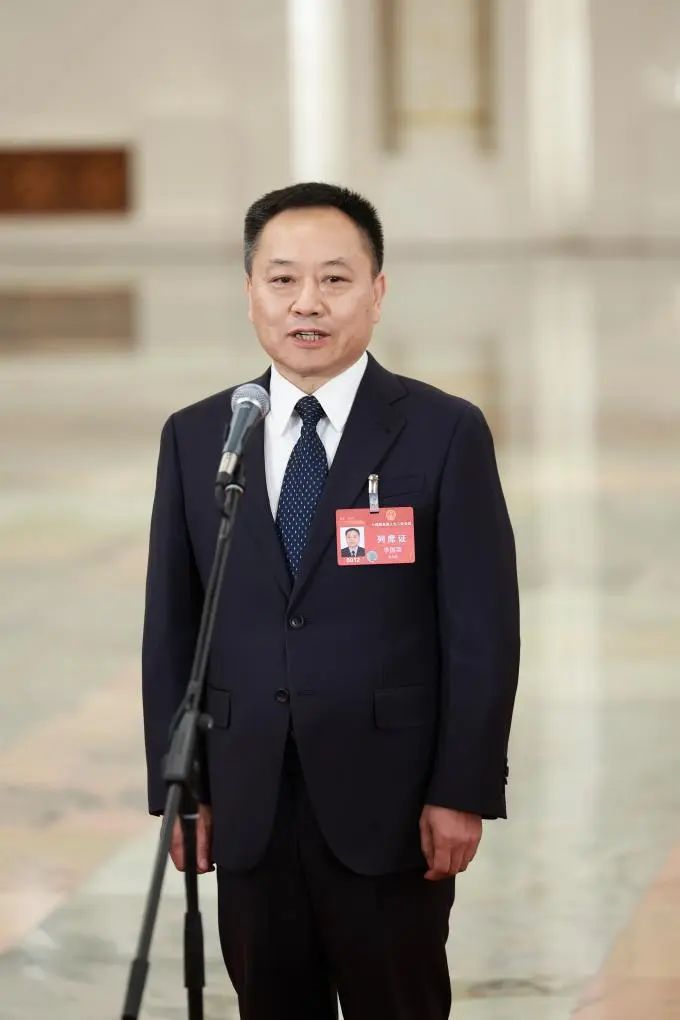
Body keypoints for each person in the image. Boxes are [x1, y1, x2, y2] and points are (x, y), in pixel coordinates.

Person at [142, 182, 520, 1020]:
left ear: (377, 293)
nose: (306, 303)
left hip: (393, 806)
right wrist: (180, 792)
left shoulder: (442, 431)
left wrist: (462, 787)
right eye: (282, 279)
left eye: (335, 279)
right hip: (246, 802)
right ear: (250, 292)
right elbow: (171, 629)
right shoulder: (200, 436)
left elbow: (482, 631)